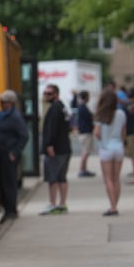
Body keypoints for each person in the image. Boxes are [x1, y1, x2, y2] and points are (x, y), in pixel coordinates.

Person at [0, 90, 29, 224]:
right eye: (1, 102)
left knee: (9, 183)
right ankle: (7, 208)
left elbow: (24, 136)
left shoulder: (15, 117)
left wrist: (15, 152)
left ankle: (11, 210)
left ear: (11, 103)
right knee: (3, 182)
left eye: (4, 102)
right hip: (1, 153)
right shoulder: (2, 115)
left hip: (9, 154)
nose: (2, 105)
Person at [40, 84, 72, 215]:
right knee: (62, 177)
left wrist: (49, 145)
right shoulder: (62, 107)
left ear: (56, 94)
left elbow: (52, 129)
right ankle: (62, 203)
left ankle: (53, 203)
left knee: (52, 178)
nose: (46, 96)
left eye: (49, 94)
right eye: (45, 93)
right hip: (65, 147)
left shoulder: (54, 109)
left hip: (56, 149)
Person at [94, 89, 126, 216]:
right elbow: (124, 132)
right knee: (116, 178)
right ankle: (115, 204)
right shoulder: (121, 113)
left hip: (106, 148)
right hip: (118, 147)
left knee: (108, 179)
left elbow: (97, 133)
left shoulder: (100, 115)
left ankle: (112, 207)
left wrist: (102, 139)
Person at [76, 90, 95, 177]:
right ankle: (82, 169)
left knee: (85, 151)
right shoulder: (83, 108)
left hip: (83, 131)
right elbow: (90, 117)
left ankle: (84, 169)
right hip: (86, 132)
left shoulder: (81, 107)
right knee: (85, 151)